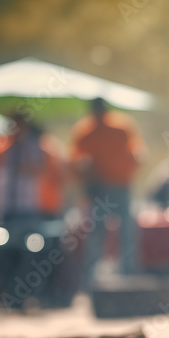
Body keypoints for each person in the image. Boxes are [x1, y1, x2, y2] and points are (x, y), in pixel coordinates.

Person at [0, 115, 67, 308]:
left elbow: (45, 171)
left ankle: (22, 295)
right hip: (5, 211)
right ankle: (9, 295)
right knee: (4, 254)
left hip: (29, 211)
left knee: (30, 254)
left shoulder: (38, 147)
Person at [71, 98, 145, 289]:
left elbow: (137, 153)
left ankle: (129, 271)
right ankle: (89, 280)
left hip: (120, 187)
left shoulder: (120, 127)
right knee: (97, 232)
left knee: (126, 228)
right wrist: (86, 176)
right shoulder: (86, 131)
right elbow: (75, 161)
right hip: (99, 190)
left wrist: (128, 168)